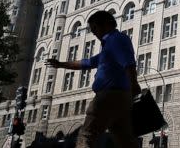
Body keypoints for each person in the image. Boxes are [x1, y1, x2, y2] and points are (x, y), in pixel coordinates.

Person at [47, 10, 141, 148]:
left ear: (106, 24)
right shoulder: (108, 47)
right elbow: (87, 62)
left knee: (86, 136)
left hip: (109, 96)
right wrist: (61, 64)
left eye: (95, 28)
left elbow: (129, 62)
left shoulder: (115, 39)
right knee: (125, 141)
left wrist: (134, 83)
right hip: (121, 99)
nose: (93, 32)